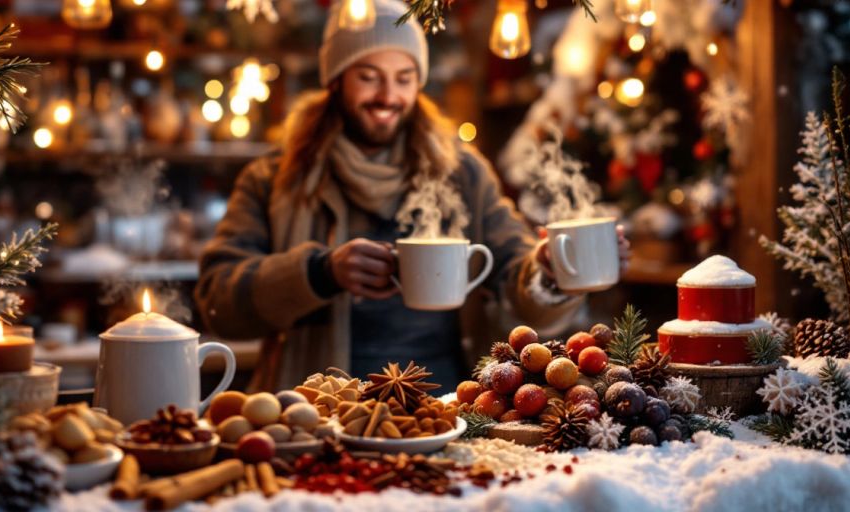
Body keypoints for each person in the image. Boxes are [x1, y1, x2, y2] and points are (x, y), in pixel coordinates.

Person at [195, 0, 629, 391]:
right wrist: (318, 273)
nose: (388, 96)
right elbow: (217, 302)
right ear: (335, 80)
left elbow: (516, 270)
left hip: (448, 409)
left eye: (404, 78)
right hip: (318, 414)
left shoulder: (461, 172)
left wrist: (550, 270)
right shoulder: (274, 177)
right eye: (369, 77)